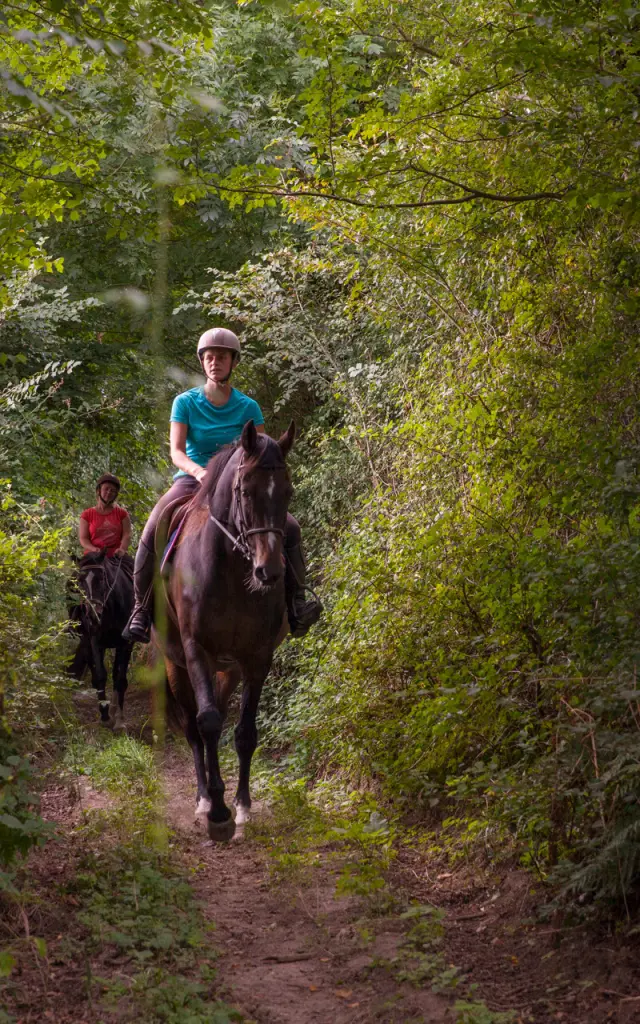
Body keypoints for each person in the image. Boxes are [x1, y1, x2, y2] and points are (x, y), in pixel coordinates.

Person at [123, 327, 322, 644]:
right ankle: (141, 608)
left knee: (291, 527)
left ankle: (297, 602)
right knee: (155, 523)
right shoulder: (184, 403)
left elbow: (261, 452)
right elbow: (175, 451)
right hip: (192, 481)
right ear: (203, 363)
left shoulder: (248, 408)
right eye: (210, 357)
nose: (215, 362)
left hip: (238, 488)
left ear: (233, 362)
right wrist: (199, 472)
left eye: (222, 357)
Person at [79, 473, 131, 557]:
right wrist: (94, 549)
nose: (109, 492)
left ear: (116, 494)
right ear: (98, 491)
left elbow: (127, 535)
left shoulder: (122, 514)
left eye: (113, 491)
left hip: (116, 556)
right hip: (94, 556)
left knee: (134, 568)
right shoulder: (87, 515)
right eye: (106, 489)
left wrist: (122, 549)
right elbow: (83, 538)